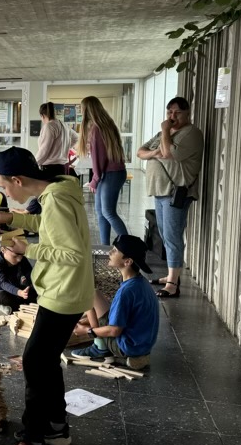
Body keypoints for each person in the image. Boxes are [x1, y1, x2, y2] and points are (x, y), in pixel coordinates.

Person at [0, 146, 93, 445]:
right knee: (45, 361)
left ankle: (32, 444)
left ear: (17, 180)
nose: (6, 192)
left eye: (4, 186)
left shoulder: (56, 199)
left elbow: (72, 253)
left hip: (62, 293)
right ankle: (56, 428)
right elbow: (50, 225)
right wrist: (13, 218)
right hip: (66, 291)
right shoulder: (59, 189)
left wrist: (27, 248)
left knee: (34, 362)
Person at [136, 97, 205, 299]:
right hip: (161, 191)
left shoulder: (191, 133)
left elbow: (168, 153)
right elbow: (140, 152)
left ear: (188, 114)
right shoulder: (162, 134)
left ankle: (173, 284)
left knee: (173, 236)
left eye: (177, 113)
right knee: (165, 234)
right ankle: (170, 275)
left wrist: (165, 132)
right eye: (169, 112)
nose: (172, 116)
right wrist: (157, 151)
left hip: (175, 192)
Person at [70, 235, 159, 371]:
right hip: (142, 345)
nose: (110, 252)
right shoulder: (140, 282)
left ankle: (100, 348)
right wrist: (89, 320)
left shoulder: (126, 291)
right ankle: (131, 356)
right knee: (93, 294)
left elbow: (115, 330)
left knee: (89, 295)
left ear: (127, 261)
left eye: (116, 250)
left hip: (128, 347)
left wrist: (87, 331)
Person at [77, 96, 128, 245]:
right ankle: (105, 247)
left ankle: (129, 247)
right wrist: (97, 178)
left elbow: (99, 159)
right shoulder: (107, 125)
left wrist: (94, 180)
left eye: (82, 109)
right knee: (101, 212)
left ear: (87, 110)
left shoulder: (96, 129)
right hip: (113, 173)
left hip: (111, 174)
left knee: (108, 212)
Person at [36, 102, 75, 178]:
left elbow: (44, 150)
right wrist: (64, 147)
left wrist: (34, 164)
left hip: (51, 168)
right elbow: (75, 137)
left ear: (42, 115)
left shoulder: (49, 126)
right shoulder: (64, 124)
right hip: (64, 166)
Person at [0, 242, 35, 314]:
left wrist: (28, 287)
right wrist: (19, 292)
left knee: (33, 293)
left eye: (21, 255)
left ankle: (17, 304)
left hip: (17, 288)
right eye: (15, 256)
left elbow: (30, 274)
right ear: (3, 250)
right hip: (1, 290)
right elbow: (3, 283)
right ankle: (4, 305)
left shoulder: (22, 259)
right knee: (3, 297)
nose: (19, 259)